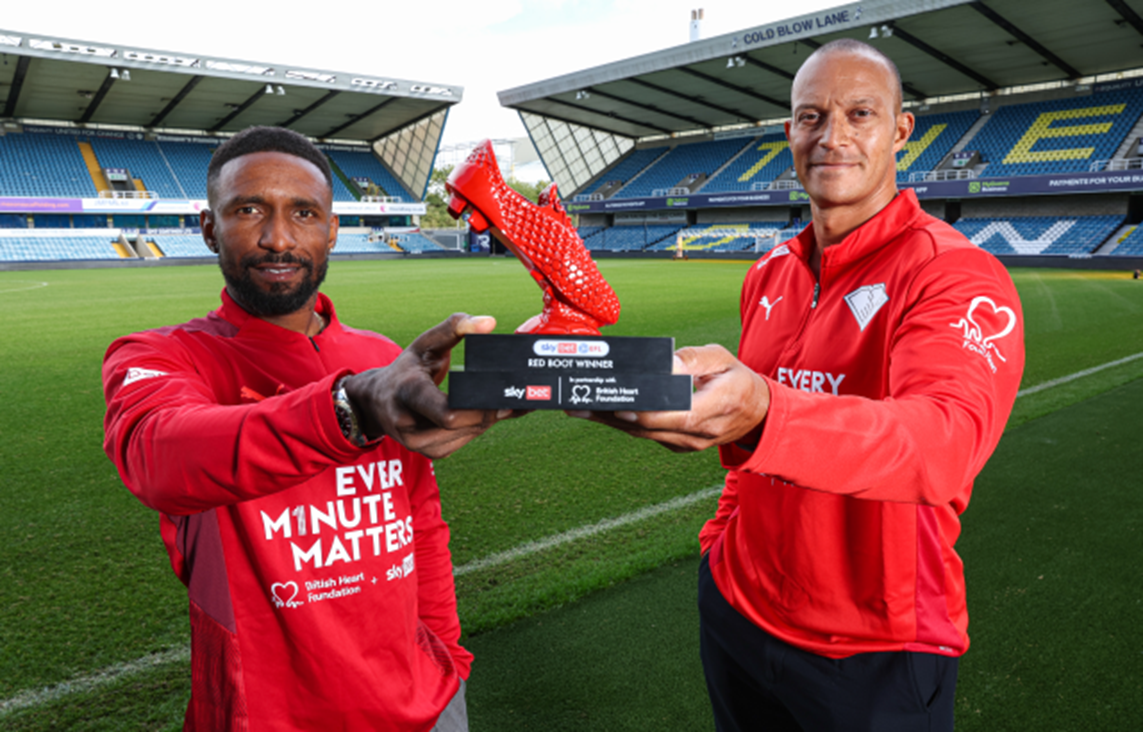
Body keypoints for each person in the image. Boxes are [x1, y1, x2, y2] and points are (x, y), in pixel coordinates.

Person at [577, 39, 1025, 731]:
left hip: (874, 651)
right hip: (737, 609)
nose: (832, 137)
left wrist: (763, 408)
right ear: (788, 131)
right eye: (810, 116)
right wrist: (720, 541)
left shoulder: (953, 275)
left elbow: (942, 444)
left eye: (859, 113)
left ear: (900, 130)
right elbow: (746, 452)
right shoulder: (769, 273)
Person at [102, 126, 506, 731]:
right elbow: (160, 457)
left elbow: (419, 519)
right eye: (248, 210)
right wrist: (351, 408)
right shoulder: (160, 357)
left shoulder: (381, 356)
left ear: (332, 231)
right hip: (264, 715)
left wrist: (447, 658)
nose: (278, 238)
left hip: (427, 701)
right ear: (210, 227)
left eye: (303, 213)